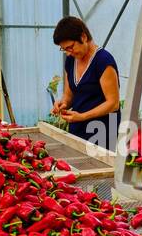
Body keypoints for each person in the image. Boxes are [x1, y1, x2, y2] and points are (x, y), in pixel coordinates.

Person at [50, 16, 121, 149]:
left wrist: (82, 116)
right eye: (64, 49)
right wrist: (63, 104)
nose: (68, 53)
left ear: (83, 37)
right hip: (78, 128)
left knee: (99, 167)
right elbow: (69, 95)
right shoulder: (71, 60)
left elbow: (113, 104)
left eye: (70, 47)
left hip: (102, 131)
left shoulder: (103, 61)